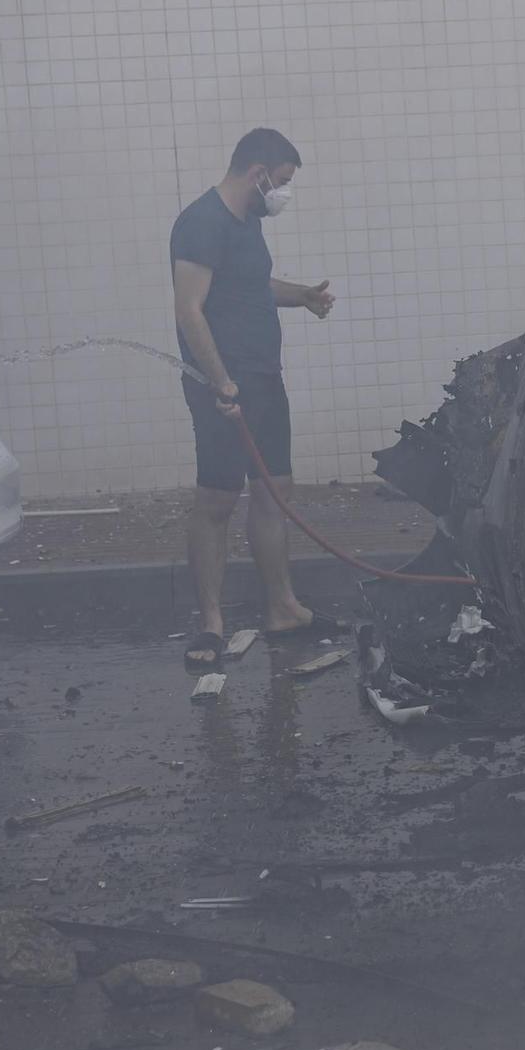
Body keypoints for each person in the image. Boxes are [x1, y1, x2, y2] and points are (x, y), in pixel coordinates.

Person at [171, 128, 338, 665]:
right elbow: (190, 309)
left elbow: (252, 285)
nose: (283, 194)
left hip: (263, 378)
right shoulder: (200, 223)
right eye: (282, 182)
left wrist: (303, 297)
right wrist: (220, 380)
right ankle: (212, 624)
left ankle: (282, 607)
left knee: (274, 490)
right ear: (258, 173)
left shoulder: (246, 224)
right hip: (223, 386)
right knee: (217, 500)